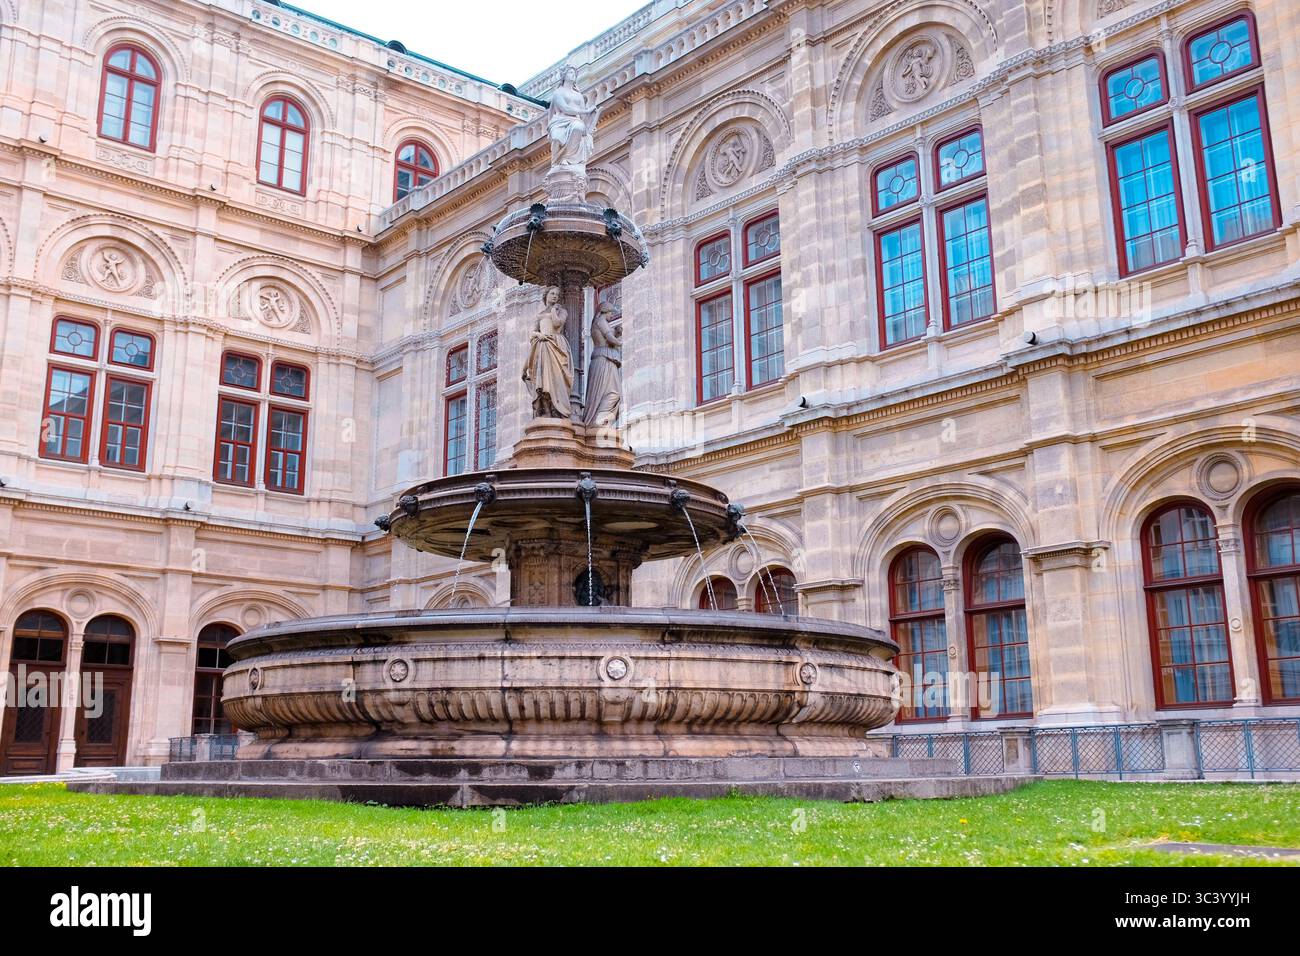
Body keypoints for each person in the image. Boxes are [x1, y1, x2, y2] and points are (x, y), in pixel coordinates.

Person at [523, 286, 573, 419]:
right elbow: (532, 333)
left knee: (557, 378)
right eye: (552, 293)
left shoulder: (562, 311)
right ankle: (546, 409)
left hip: (556, 344)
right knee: (543, 379)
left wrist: (554, 311)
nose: (555, 296)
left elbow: (557, 324)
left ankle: (559, 408)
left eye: (557, 294)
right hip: (543, 346)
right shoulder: (539, 315)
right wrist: (538, 335)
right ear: (546, 295)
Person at [583, 302, 622, 428]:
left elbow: (607, 338)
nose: (612, 316)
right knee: (613, 393)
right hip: (604, 358)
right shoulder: (601, 321)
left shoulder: (598, 322)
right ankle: (598, 421)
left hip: (604, 357)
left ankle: (600, 421)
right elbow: (610, 339)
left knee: (606, 392)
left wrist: (617, 333)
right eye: (611, 312)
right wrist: (620, 341)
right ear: (605, 311)